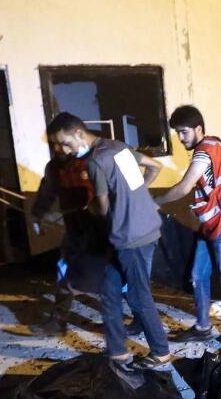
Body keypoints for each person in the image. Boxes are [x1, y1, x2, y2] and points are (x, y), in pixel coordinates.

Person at [46, 112, 173, 370]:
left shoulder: (94, 162)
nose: (65, 150)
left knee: (138, 297)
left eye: (66, 143)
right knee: (109, 290)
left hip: (131, 237)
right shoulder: (118, 148)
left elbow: (102, 208)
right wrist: (136, 195)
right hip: (140, 230)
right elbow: (154, 166)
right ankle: (117, 352)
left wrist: (89, 206)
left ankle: (161, 352)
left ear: (79, 134)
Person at [155, 105, 221, 345]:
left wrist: (156, 201)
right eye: (178, 133)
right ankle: (202, 327)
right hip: (213, 225)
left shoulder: (204, 151)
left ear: (198, 129)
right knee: (198, 275)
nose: (181, 139)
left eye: (184, 132)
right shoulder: (212, 147)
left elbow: (184, 186)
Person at [27, 145, 110, 335]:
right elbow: (46, 193)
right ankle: (58, 321)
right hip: (74, 229)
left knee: (110, 275)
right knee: (63, 271)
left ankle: (121, 320)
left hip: (100, 228)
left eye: (63, 142)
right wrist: (38, 215)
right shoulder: (54, 167)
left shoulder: (92, 161)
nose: (60, 148)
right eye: (55, 143)